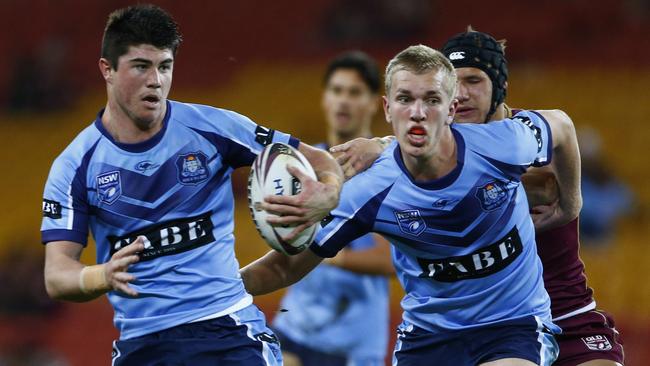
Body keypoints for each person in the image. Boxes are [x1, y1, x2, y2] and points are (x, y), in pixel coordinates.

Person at [241, 44, 585, 365]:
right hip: (428, 337)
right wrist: (215, 287)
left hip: (512, 327)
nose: (418, 113)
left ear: (451, 108)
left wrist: (571, 204)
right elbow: (283, 268)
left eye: (432, 100)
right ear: (388, 108)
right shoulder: (367, 192)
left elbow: (564, 126)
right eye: (405, 99)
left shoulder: (502, 146)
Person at [40, 5, 343, 365]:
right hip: (143, 343)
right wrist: (100, 275)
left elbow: (321, 160)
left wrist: (329, 192)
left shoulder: (212, 128)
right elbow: (57, 275)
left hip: (227, 330)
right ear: (107, 69)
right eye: (141, 66)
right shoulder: (75, 164)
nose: (156, 80)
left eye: (164, 66)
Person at [331, 28, 625, 366]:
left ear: (499, 87)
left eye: (474, 80)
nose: (463, 94)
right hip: (476, 328)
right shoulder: (425, 152)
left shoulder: (525, 138)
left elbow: (558, 133)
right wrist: (384, 146)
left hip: (566, 309)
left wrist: (573, 202)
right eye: (453, 84)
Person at [271, 51, 393, 366]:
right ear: (324, 99)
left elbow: (390, 260)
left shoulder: (386, 173)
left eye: (354, 93)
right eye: (336, 91)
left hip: (352, 346)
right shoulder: (301, 168)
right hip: (294, 328)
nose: (343, 101)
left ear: (372, 103)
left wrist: (323, 255)